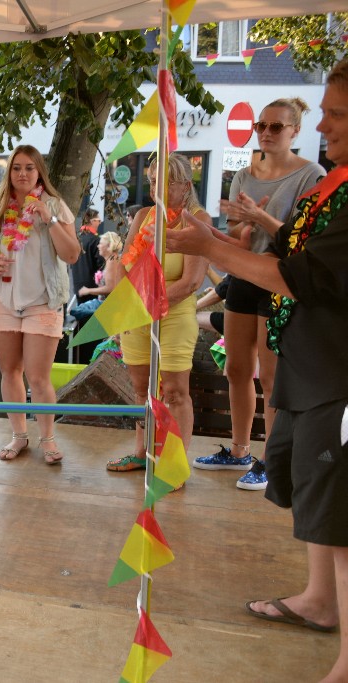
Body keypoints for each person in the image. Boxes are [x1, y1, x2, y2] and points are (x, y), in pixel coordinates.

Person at [168, 57, 348, 681]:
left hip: (334, 370)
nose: (323, 122)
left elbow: (297, 276)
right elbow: (294, 248)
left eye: (337, 113)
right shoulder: (333, 183)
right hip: (309, 359)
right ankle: (320, 599)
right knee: (315, 496)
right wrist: (238, 239)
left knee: (338, 505)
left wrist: (210, 247)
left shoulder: (335, 186)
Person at [193, 97, 327, 492]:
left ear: (295, 132)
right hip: (244, 275)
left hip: (280, 278)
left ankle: (270, 460)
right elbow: (239, 237)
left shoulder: (311, 174)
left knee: (270, 375)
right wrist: (235, 232)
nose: (266, 133)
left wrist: (260, 218)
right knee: (236, 367)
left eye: (276, 127)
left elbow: (303, 238)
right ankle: (238, 451)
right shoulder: (244, 174)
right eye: (261, 126)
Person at [107, 153, 208, 472]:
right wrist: (131, 304)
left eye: (164, 182)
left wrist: (153, 305)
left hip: (175, 317)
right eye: (152, 181)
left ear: (185, 185)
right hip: (138, 314)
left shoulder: (198, 219)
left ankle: (174, 464)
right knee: (142, 389)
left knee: (176, 391)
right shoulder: (144, 216)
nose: (156, 188)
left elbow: (191, 281)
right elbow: (125, 264)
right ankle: (142, 452)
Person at [0, 145, 80, 465]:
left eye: (29, 168)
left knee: (38, 378)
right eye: (16, 168)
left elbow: (72, 255)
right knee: (10, 372)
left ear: (39, 173)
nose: (22, 174)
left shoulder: (54, 205)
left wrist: (49, 220)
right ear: (8, 172)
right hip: (3, 301)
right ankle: (19, 436)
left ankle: (48, 438)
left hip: (42, 302)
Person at [71, 231, 124, 324]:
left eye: (100, 243)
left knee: (77, 311)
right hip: (106, 306)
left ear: (108, 246)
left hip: (108, 308)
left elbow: (110, 288)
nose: (98, 246)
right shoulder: (111, 260)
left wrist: (88, 290)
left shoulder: (112, 261)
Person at [72, 209, 104, 305]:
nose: (100, 222)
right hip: (91, 287)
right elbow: (101, 264)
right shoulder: (95, 240)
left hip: (77, 284)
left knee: (81, 315)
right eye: (98, 220)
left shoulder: (76, 237)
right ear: (92, 221)